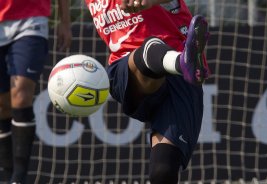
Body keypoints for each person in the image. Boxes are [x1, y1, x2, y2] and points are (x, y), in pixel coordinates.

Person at [85, 0, 210, 183]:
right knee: (150, 47)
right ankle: (181, 62)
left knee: (163, 171)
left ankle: (184, 62)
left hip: (182, 78)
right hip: (127, 68)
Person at [0, 0, 72, 183]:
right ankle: (8, 175)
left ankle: (19, 178)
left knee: (21, 94)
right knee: (2, 106)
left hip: (31, 20)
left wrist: (65, 22)